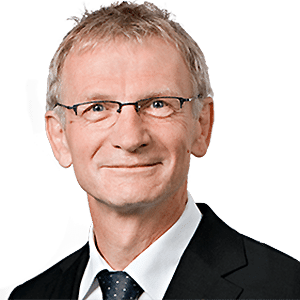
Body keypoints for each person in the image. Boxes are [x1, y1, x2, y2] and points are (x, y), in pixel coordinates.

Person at [9, 1, 300, 299]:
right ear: (59, 137)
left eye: (158, 104)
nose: (130, 137)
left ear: (201, 125)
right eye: (97, 108)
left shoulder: (286, 289)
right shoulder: (30, 296)